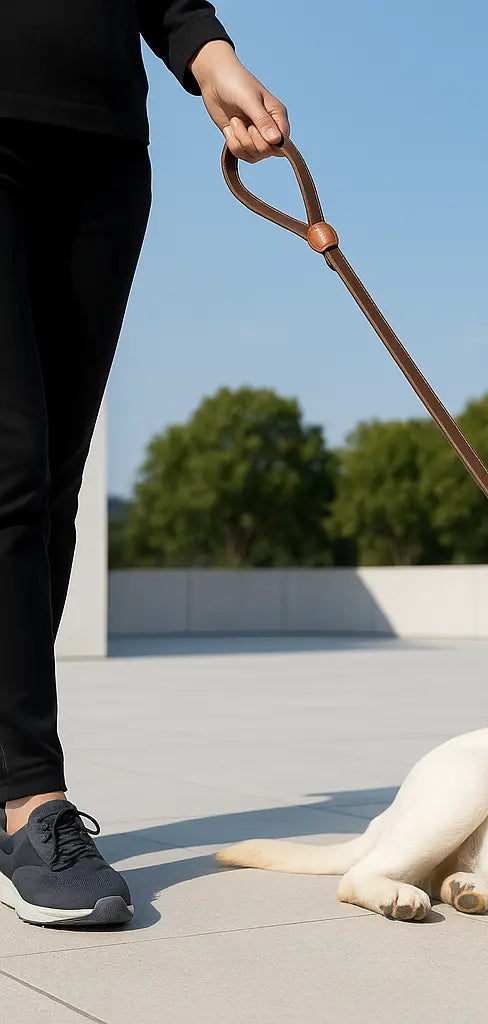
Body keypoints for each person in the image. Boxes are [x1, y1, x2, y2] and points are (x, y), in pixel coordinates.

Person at [0, 1, 287, 927]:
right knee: (11, 466)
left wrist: (209, 58)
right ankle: (29, 799)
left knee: (54, 484)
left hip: (101, 149)